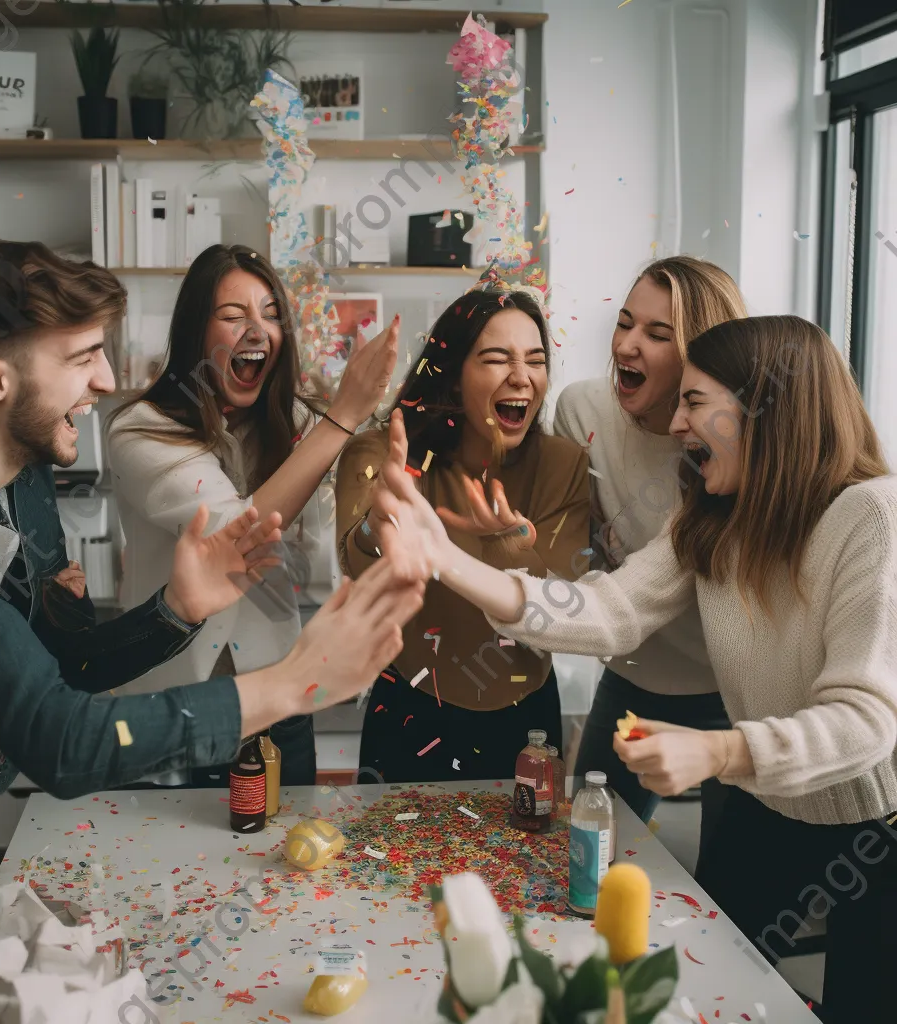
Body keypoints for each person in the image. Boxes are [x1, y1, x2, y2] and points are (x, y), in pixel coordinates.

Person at [0, 240, 423, 1023]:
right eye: (84, 357)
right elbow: (56, 739)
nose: (105, 380)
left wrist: (177, 610)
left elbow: (64, 662)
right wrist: (292, 684)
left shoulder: (20, 471)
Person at [373, 315, 897, 1022]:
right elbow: (607, 611)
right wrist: (448, 559)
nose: (676, 424)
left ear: (767, 411)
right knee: (722, 991)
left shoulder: (870, 515)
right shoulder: (710, 517)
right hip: (763, 808)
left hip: (876, 824)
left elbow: (865, 720)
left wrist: (719, 749)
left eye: (695, 401)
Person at [107, 243, 399, 788]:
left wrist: (377, 515)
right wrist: (342, 417)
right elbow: (232, 536)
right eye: (232, 315)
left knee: (286, 862)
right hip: (174, 703)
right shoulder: (140, 428)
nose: (256, 331)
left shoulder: (296, 424)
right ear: (195, 332)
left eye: (270, 315)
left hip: (278, 697)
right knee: (168, 867)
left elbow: (326, 545)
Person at [335, 285, 590, 783]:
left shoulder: (563, 463)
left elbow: (565, 601)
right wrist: (378, 525)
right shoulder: (383, 453)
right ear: (452, 379)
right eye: (497, 359)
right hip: (409, 711)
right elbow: (356, 561)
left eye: (535, 360)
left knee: (526, 860)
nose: (521, 376)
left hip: (527, 721)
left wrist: (509, 544)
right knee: (393, 861)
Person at [552, 255, 747, 851]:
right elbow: (574, 554)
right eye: (625, 322)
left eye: (658, 335)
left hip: (736, 696)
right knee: (584, 851)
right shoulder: (581, 412)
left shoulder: (739, 440)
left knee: (734, 889)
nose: (626, 345)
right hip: (632, 679)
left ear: (700, 356)